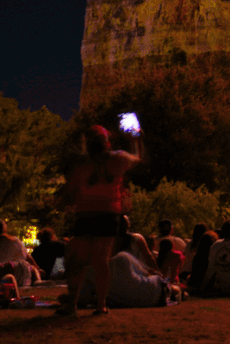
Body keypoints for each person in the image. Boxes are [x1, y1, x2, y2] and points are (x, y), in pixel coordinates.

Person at [60, 124, 141, 316]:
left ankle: (72, 304)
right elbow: (137, 159)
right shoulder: (118, 159)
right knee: (101, 261)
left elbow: (69, 193)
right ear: (107, 142)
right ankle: (101, 305)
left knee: (78, 260)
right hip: (108, 214)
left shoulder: (81, 164)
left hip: (85, 214)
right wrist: (135, 140)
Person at [77, 217, 175, 310]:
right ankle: (178, 293)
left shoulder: (110, 245)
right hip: (139, 276)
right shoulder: (132, 244)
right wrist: (157, 272)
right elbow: (149, 258)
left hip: (122, 278)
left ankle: (177, 293)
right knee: (168, 288)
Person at [0, 220, 39, 287]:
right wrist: (37, 268)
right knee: (32, 268)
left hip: (7, 271)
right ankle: (38, 282)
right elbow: (28, 257)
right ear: (4, 228)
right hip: (21, 269)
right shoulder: (15, 239)